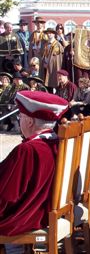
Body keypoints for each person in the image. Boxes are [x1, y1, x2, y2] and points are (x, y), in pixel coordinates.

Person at [0, 91, 69, 236]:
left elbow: (7, 195)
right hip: (48, 210)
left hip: (27, 216)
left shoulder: (28, 149)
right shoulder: (58, 142)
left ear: (30, 121)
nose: (19, 121)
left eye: (20, 117)